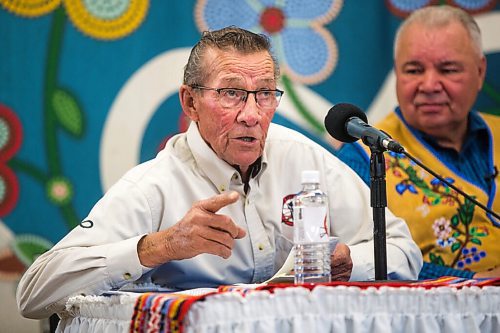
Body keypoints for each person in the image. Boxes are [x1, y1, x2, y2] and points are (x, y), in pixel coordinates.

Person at [17, 26, 422, 319]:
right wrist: (159, 247)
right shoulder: (153, 185)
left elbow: (405, 251)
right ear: (190, 103)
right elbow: (33, 293)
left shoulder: (303, 158)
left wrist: (353, 262)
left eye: (264, 93)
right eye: (231, 93)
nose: (251, 114)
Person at [337, 5, 500, 279]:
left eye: (448, 70)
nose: (429, 85)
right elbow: (363, 261)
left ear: (480, 72)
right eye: (414, 70)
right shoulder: (362, 156)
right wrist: (476, 283)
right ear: (397, 74)